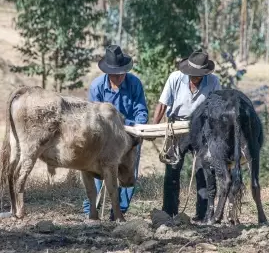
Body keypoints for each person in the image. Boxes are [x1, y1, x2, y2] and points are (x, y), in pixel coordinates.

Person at [152, 49, 221, 221]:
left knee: (204, 171)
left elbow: (217, 109)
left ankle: (204, 214)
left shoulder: (213, 81)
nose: (194, 77)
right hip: (177, 127)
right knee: (172, 170)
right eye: (192, 74)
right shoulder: (175, 78)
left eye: (198, 75)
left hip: (202, 129)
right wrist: (153, 128)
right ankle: (169, 212)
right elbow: (162, 104)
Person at [82, 44, 148, 220]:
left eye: (121, 73)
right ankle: (91, 210)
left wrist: (136, 130)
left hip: (129, 135)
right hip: (104, 138)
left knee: (128, 174)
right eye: (114, 74)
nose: (118, 77)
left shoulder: (134, 84)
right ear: (107, 72)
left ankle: (118, 213)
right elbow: (92, 116)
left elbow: (141, 111)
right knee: (96, 171)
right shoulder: (97, 87)